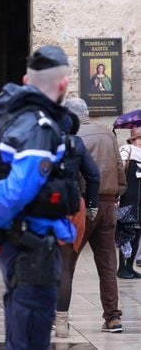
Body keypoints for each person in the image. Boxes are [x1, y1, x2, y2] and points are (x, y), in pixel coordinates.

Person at [0, 46, 79, 349]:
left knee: (19, 333)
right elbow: (20, 187)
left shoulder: (14, 119)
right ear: (63, 84)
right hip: (33, 245)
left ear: (27, 80)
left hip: (19, 241)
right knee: (30, 337)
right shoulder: (39, 127)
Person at [64, 97, 127, 332]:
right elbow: (119, 166)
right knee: (108, 263)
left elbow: (78, 172)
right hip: (109, 203)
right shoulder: (107, 134)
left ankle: (59, 316)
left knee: (66, 262)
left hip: (82, 204)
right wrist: (118, 192)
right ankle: (113, 317)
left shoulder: (74, 136)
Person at [54, 111, 100, 338]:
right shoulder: (77, 143)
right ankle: (61, 323)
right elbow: (93, 175)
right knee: (64, 267)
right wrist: (92, 204)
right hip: (72, 204)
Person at [117, 127, 141, 278]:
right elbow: (119, 172)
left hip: (140, 202)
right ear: (133, 140)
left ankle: (130, 267)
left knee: (137, 234)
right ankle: (122, 268)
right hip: (128, 199)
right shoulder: (126, 151)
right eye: (138, 138)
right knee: (126, 234)